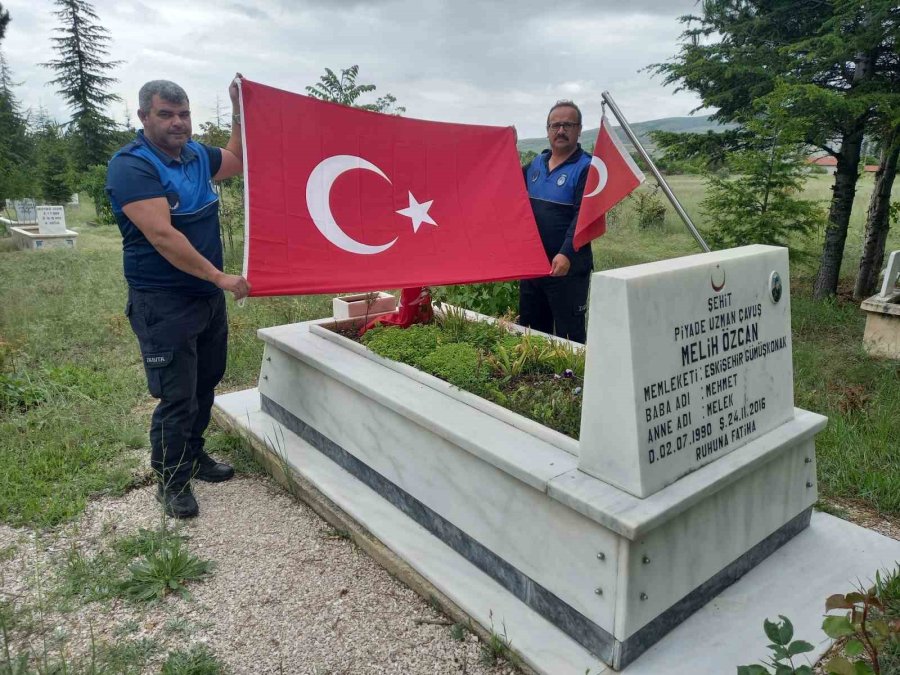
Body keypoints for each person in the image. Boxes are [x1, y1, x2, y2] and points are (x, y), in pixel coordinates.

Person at [106, 76, 250, 518]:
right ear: (143, 116)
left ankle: (194, 456)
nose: (177, 123)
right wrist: (220, 277)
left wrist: (240, 107)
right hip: (163, 301)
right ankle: (171, 480)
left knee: (205, 381)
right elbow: (163, 236)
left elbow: (239, 162)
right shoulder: (132, 165)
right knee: (176, 394)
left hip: (205, 298)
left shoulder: (195, 156)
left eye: (183, 114)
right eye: (166, 114)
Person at [520, 100, 593, 344]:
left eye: (568, 125)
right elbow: (503, 188)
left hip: (567, 268)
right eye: (555, 125)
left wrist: (566, 253)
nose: (560, 130)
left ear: (579, 129)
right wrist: (504, 147)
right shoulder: (534, 166)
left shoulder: (587, 168)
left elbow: (584, 216)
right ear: (547, 129)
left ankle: (572, 383)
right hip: (532, 266)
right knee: (531, 333)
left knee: (569, 339)